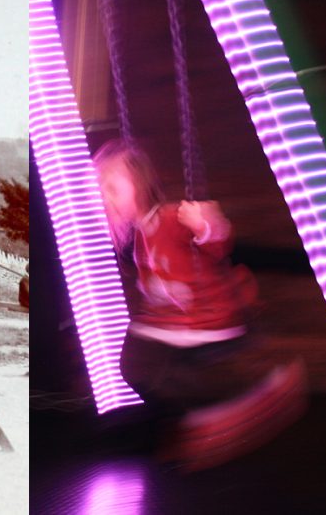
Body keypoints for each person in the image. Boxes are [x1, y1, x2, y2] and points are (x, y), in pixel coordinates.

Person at [93, 138, 307, 471]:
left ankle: (219, 410)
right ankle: (189, 422)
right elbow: (155, 277)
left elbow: (216, 243)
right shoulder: (137, 238)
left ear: (139, 183)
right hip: (172, 321)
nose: (105, 197)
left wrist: (205, 224)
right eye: (101, 189)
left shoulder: (171, 216)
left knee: (154, 363)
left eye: (111, 187)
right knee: (134, 365)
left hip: (205, 318)